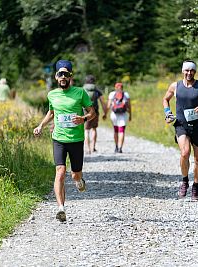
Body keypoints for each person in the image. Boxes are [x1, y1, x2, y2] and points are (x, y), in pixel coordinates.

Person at [33, 60, 95, 222]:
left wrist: (83, 118)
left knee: (75, 175)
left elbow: (92, 112)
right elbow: (51, 112)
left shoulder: (80, 93)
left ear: (70, 76)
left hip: (76, 139)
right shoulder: (52, 94)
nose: (63, 77)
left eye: (65, 74)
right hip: (59, 138)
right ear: (56, 77)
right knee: (60, 171)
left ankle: (79, 180)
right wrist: (40, 126)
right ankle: (61, 208)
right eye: (60, 74)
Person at [162, 60, 198, 201]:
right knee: (185, 152)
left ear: (195, 72)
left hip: (197, 127)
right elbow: (165, 99)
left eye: (192, 70)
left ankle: (195, 187)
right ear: (182, 71)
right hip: (181, 125)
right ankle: (185, 181)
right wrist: (167, 113)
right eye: (186, 70)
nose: (189, 73)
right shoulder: (175, 86)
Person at [83, 75, 107, 154]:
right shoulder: (97, 90)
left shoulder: (83, 89)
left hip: (85, 112)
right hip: (95, 111)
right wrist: (105, 113)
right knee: (94, 129)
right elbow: (103, 102)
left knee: (86, 130)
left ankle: (88, 148)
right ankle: (93, 147)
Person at [106, 82, 131, 153]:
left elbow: (108, 105)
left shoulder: (112, 94)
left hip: (114, 115)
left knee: (116, 130)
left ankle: (116, 146)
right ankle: (120, 148)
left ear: (115, 88)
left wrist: (105, 114)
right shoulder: (126, 94)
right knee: (121, 131)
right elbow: (129, 106)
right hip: (124, 114)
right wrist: (130, 115)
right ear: (122, 88)